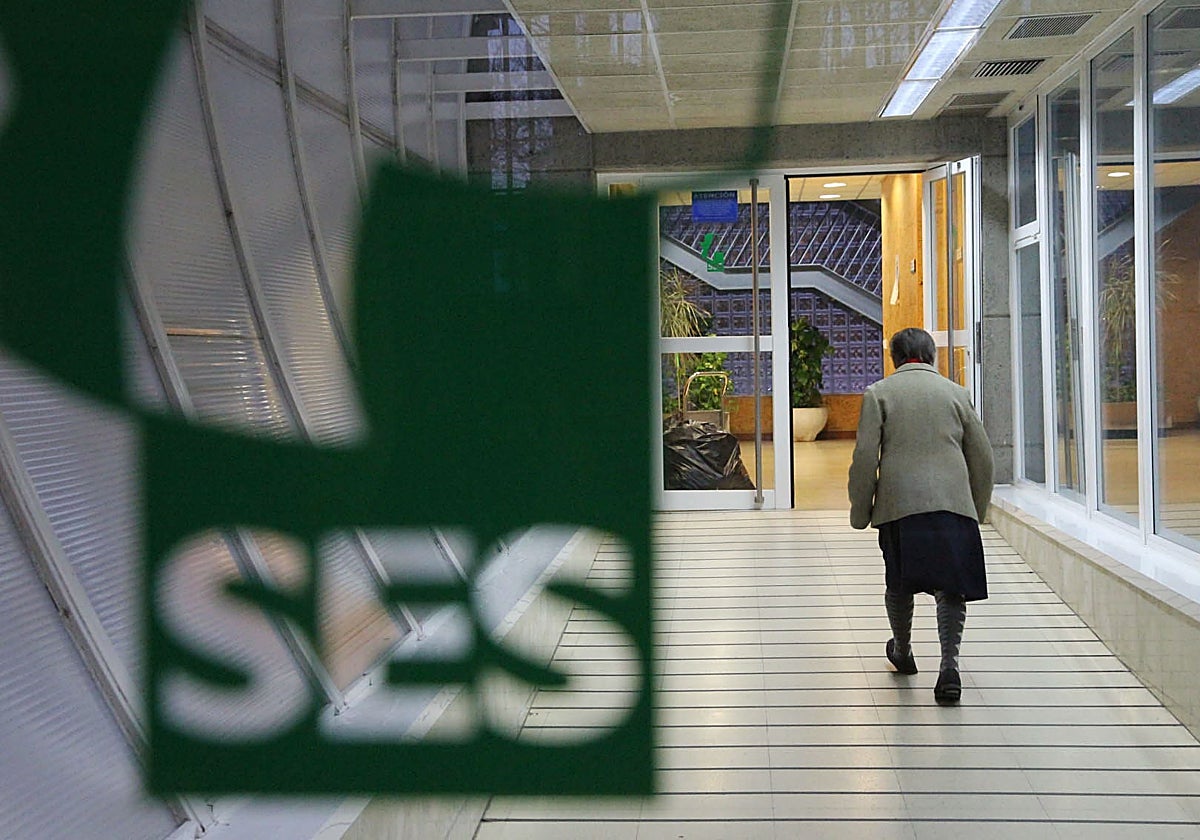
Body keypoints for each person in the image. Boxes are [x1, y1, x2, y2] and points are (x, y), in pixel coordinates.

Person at [848, 327, 994, 705]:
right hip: (953, 505)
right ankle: (949, 666)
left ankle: (903, 650)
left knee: (899, 581)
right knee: (952, 587)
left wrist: (861, 511)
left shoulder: (879, 394)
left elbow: (865, 458)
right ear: (932, 356)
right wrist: (975, 508)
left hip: (900, 506)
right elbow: (983, 457)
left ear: (895, 357)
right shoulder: (957, 394)